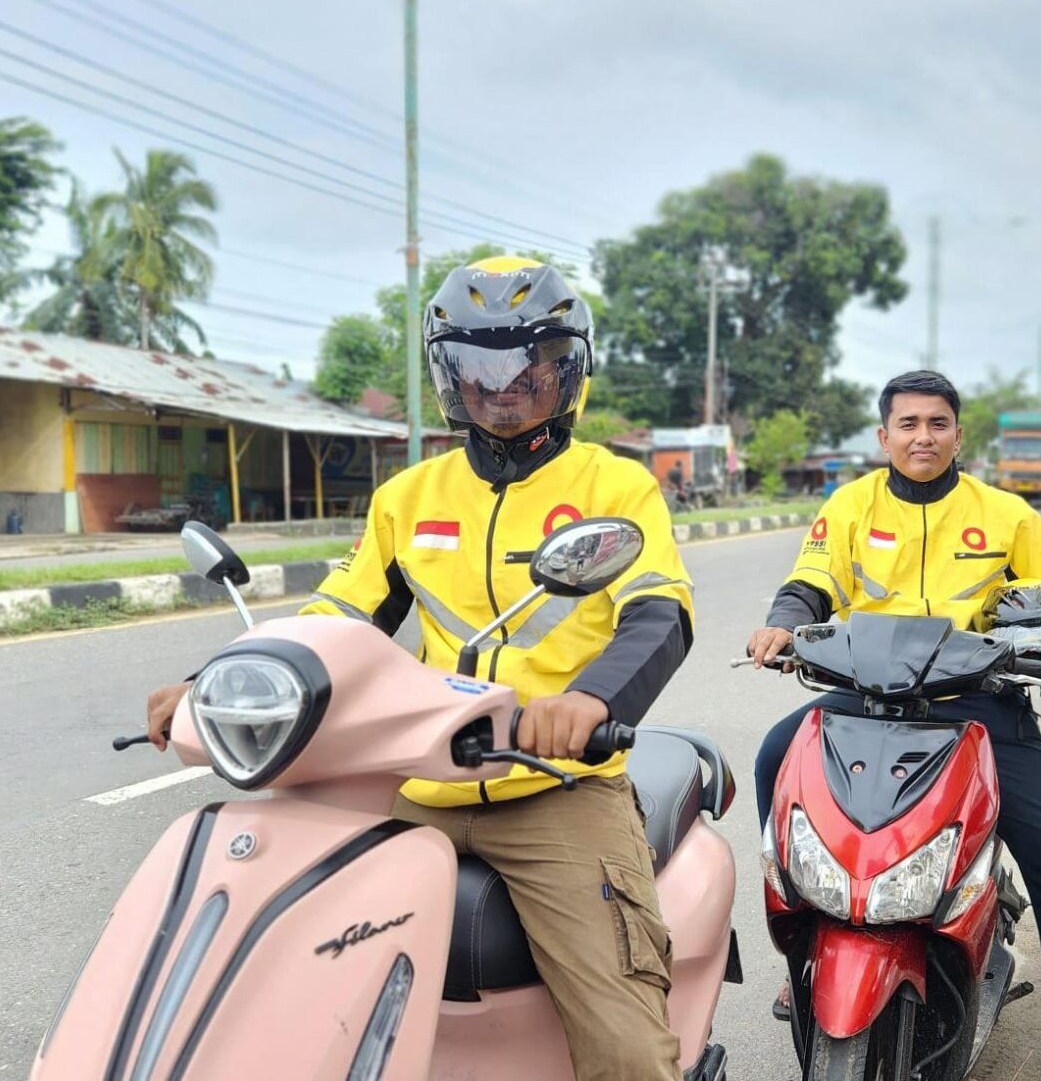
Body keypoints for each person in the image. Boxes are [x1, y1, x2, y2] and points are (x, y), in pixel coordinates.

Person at [146, 256, 695, 1080]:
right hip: (414, 783)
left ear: (566, 370)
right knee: (283, 970)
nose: (500, 385)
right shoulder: (409, 495)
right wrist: (213, 681)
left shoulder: (615, 485)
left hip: (552, 787)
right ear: (449, 375)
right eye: (476, 364)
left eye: (523, 365)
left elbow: (660, 612)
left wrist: (587, 701)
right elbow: (342, 613)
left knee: (624, 1046)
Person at [746, 370, 1041, 1081]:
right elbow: (809, 585)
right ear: (884, 436)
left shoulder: (1005, 513)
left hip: (978, 704)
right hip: (864, 695)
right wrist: (784, 625)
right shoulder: (849, 505)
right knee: (777, 758)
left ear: (958, 434)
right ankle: (807, 947)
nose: (922, 436)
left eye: (937, 423)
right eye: (907, 424)